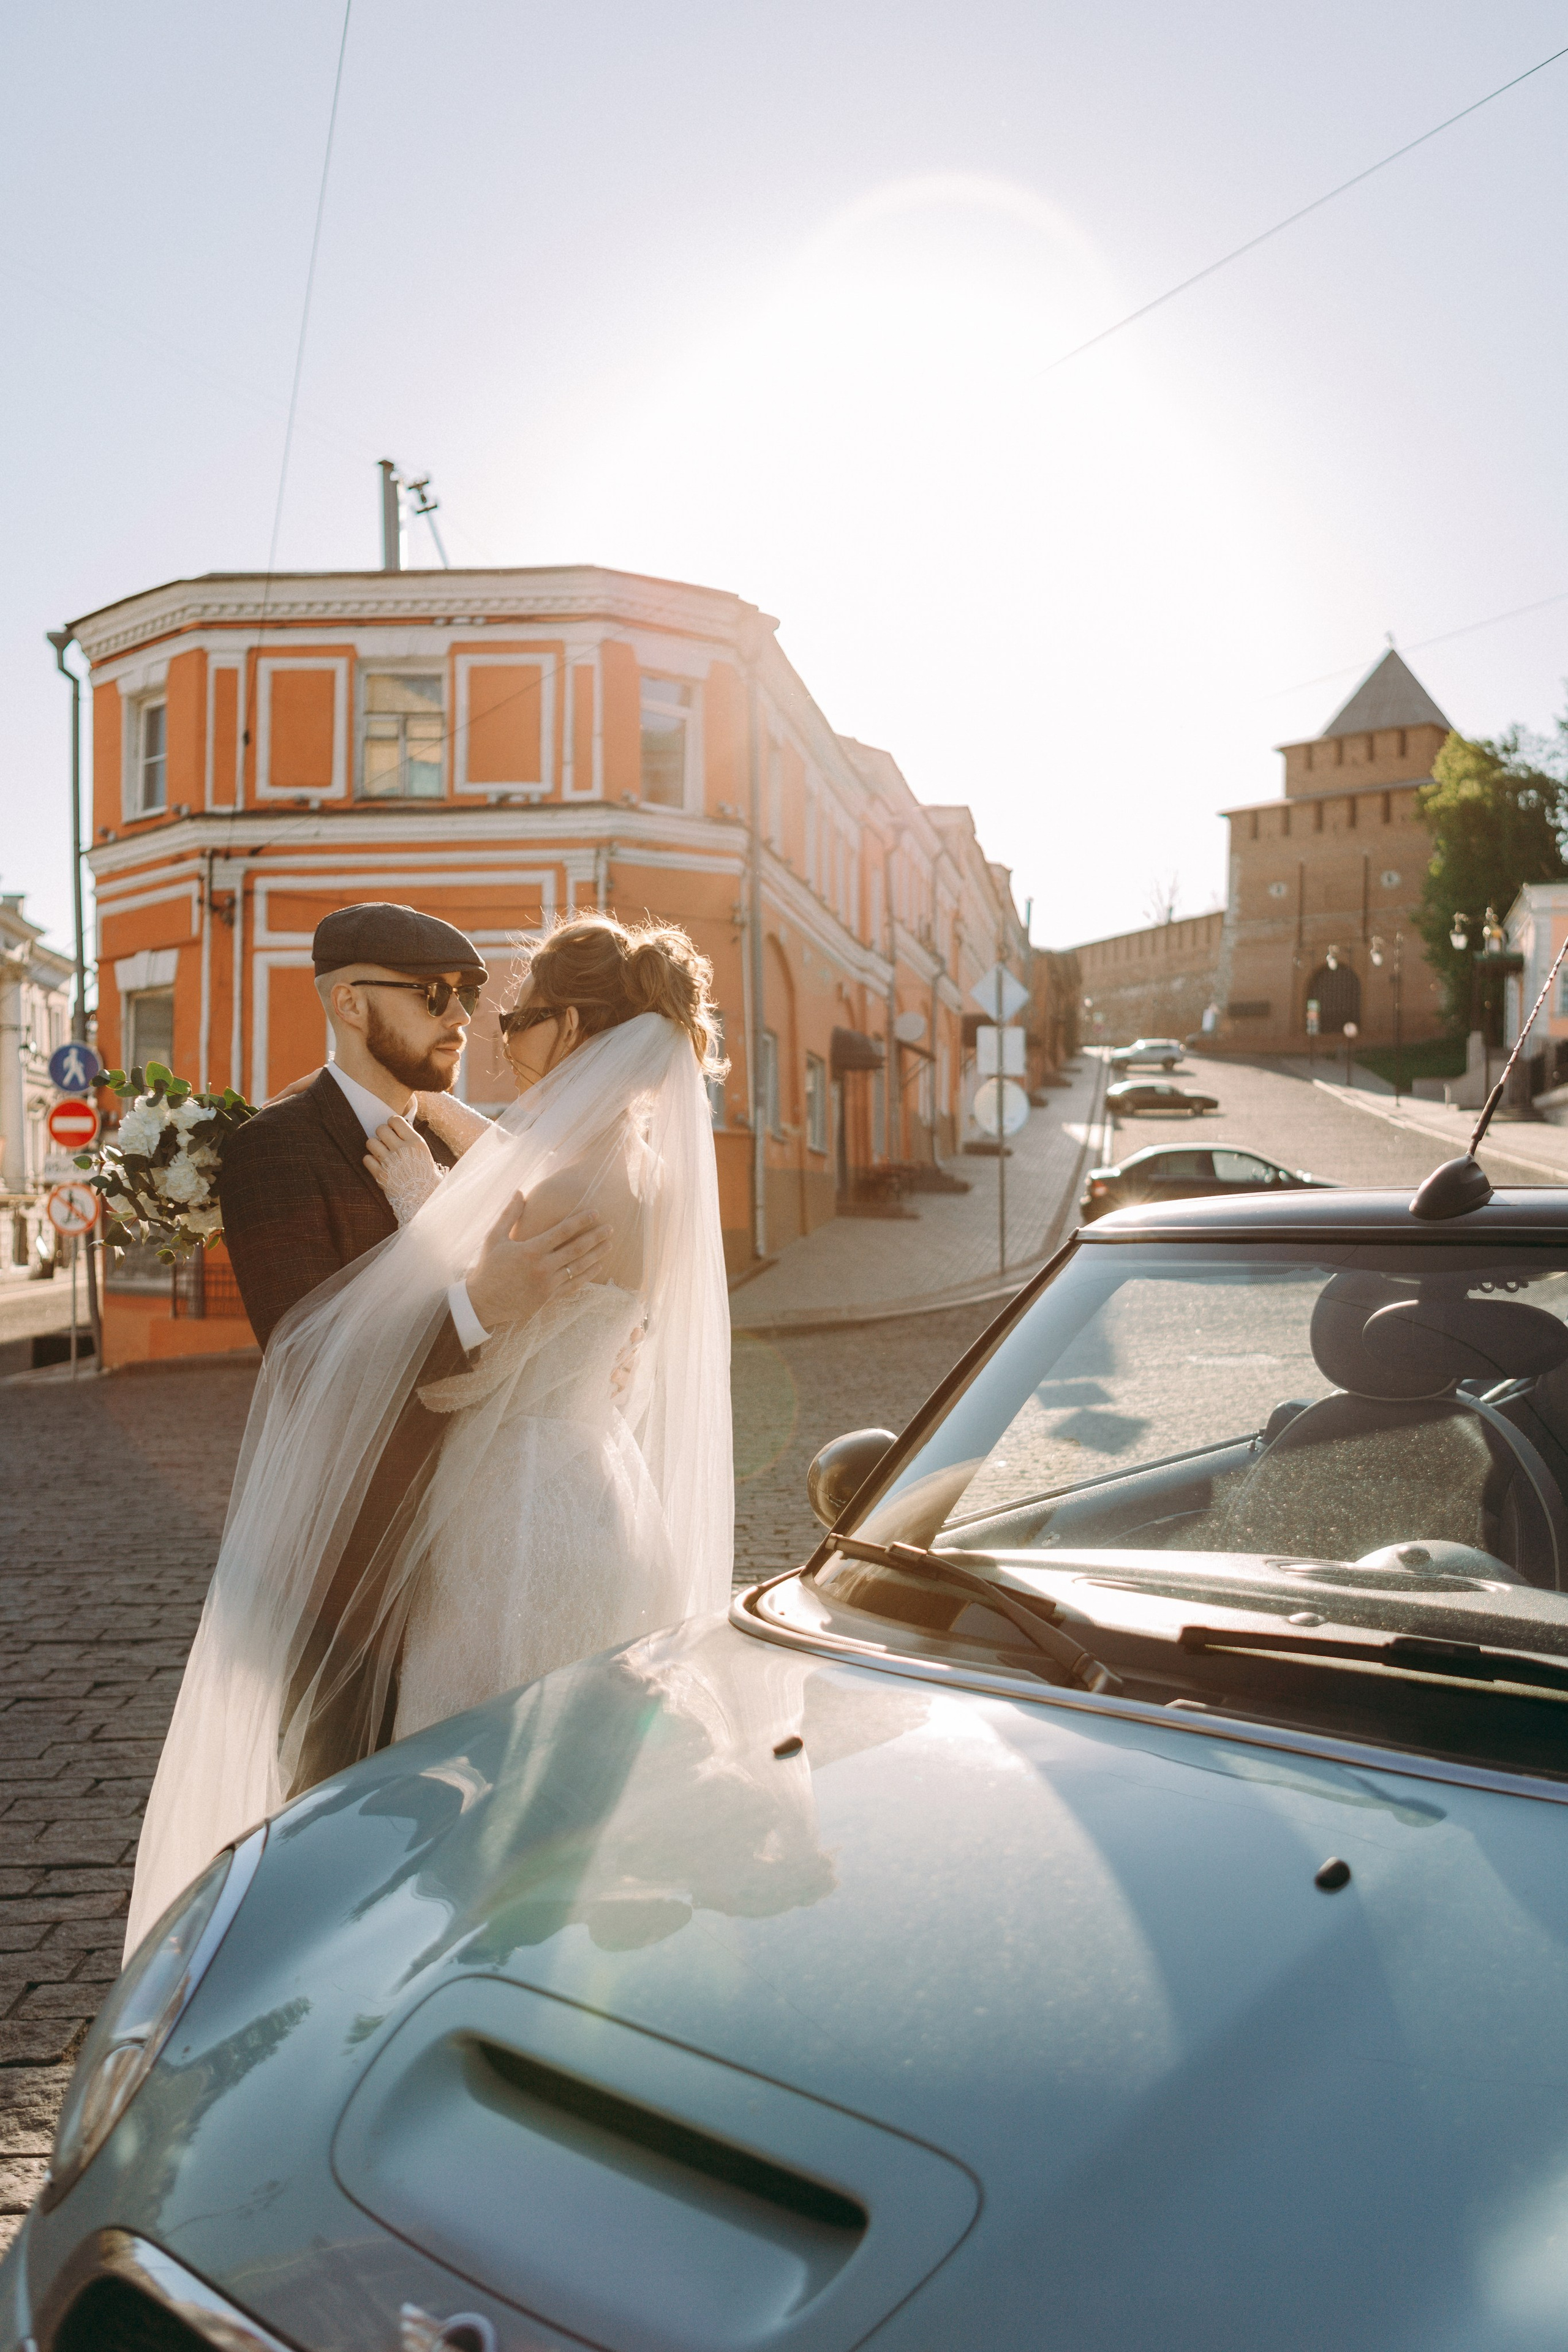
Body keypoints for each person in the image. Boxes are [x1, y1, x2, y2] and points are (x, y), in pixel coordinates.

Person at [124, 910, 733, 1953]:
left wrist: (438, 1235)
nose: (473, 1022)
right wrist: (496, 1279)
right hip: (562, 1506)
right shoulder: (288, 1148)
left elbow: (487, 1360)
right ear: (349, 1003)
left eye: (497, 1006)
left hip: (508, 1529)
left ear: (573, 1029)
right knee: (523, 1814)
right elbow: (308, 1364)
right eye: (436, 996)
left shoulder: (526, 1173)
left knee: (463, 1824)